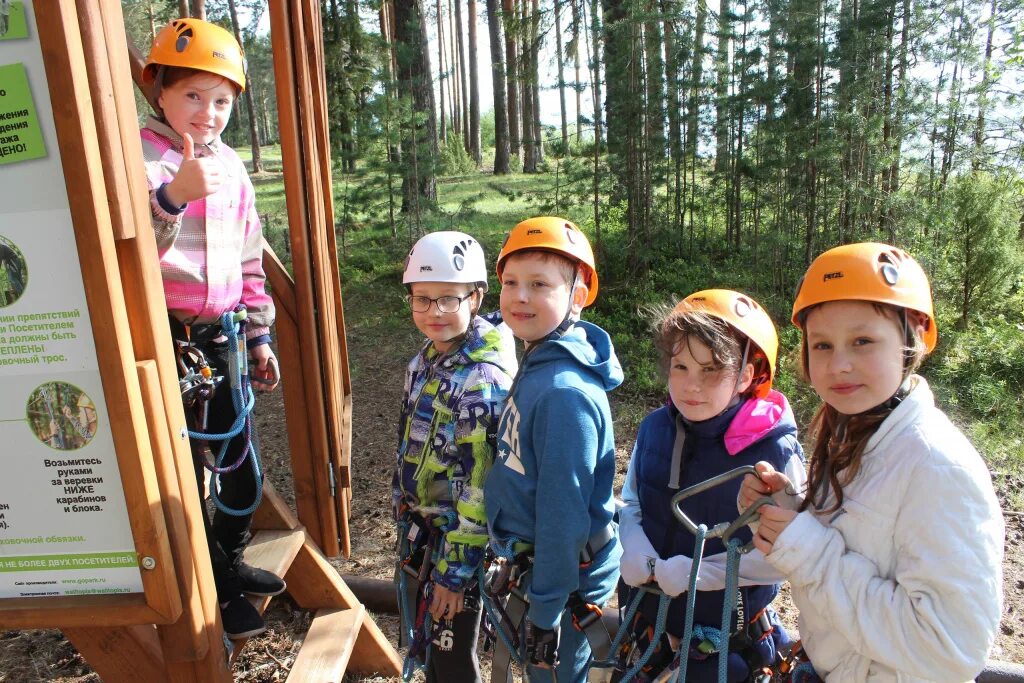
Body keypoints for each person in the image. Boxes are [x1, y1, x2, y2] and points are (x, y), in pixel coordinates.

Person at [739, 242, 1004, 682]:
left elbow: (950, 649)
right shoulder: (853, 436)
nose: (839, 364)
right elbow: (859, 540)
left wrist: (808, 548)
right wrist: (788, 511)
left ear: (911, 339)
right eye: (822, 345)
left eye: (862, 341)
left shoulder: (937, 466)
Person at [140, 18, 284, 640]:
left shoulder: (232, 167)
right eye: (194, 95)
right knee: (178, 474)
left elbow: (249, 258)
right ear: (161, 92)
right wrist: (172, 195)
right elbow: (126, 250)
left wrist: (258, 336)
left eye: (221, 100)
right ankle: (209, 588)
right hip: (163, 336)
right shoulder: (140, 155)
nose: (209, 112)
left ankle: (226, 563)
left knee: (239, 468)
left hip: (221, 334)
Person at [618, 290, 805, 681]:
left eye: (711, 370)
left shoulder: (772, 450)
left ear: (746, 376)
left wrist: (699, 574)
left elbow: (786, 555)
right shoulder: (655, 429)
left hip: (720, 648)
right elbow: (634, 500)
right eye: (681, 366)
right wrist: (635, 547)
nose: (691, 386)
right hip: (647, 629)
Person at [483, 216, 623, 683]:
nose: (520, 296)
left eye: (539, 284)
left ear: (577, 296)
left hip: (561, 583)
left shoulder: (565, 393)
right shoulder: (540, 356)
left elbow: (564, 514)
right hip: (544, 570)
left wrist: (544, 614)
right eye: (511, 282)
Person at [392, 231, 516, 682]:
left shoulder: (482, 380)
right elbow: (408, 440)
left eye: (448, 299)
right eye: (422, 300)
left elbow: (481, 487)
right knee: (431, 653)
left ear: (477, 297)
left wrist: (454, 573)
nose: (434, 313)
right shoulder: (426, 359)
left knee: (450, 657)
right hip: (427, 534)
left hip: (459, 549)